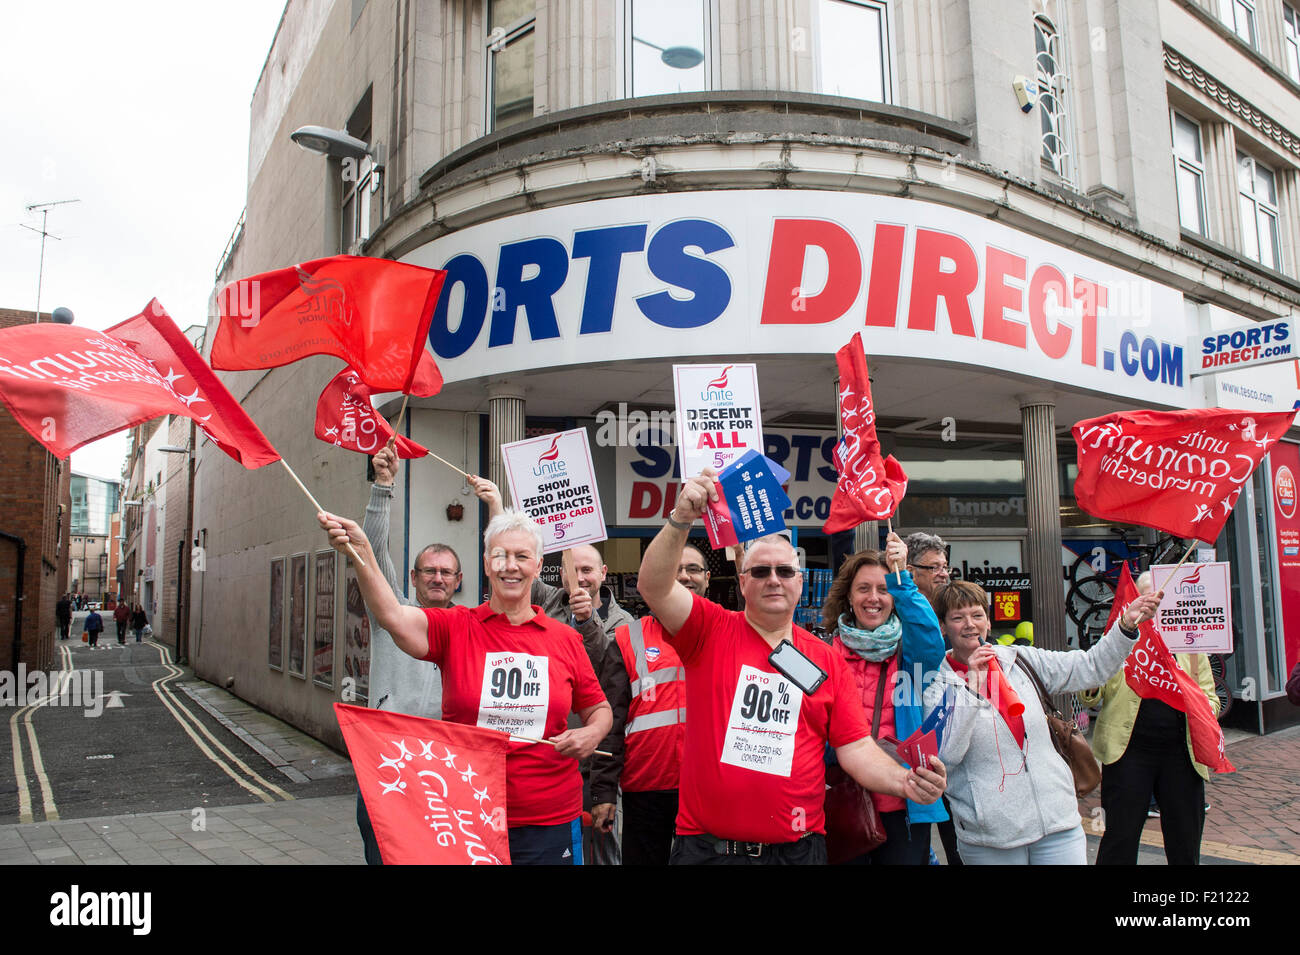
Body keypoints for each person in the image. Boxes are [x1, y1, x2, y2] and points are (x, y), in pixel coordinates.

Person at [635, 469, 947, 865]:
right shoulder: (708, 629)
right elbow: (654, 587)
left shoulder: (825, 659)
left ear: (800, 583)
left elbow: (854, 748)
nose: (773, 580)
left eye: (785, 571)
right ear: (742, 582)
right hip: (709, 850)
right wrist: (681, 518)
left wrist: (905, 781)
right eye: (761, 571)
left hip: (798, 851)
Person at [319, 506, 612, 865]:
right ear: (487, 563)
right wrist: (362, 552)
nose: (510, 565)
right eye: (500, 555)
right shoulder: (457, 627)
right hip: (468, 814)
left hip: (549, 818)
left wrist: (592, 734)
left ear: (537, 567)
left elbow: (598, 709)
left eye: (522, 556)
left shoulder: (565, 638)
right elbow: (392, 615)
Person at [924, 579, 1162, 864]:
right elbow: (946, 756)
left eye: (977, 615)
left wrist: (1125, 626)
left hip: (1058, 823)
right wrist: (972, 690)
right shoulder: (936, 683)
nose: (970, 625)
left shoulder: (1021, 659)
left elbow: (1091, 667)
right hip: (992, 838)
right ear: (942, 627)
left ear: (988, 622)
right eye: (957, 618)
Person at [820, 533, 948, 864]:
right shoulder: (824, 653)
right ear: (848, 596)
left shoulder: (909, 653)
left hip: (901, 802)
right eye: (863, 588)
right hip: (841, 799)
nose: (873, 598)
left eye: (883, 589)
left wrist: (902, 580)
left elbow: (933, 644)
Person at [1082, 571, 1220, 865]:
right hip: (1129, 752)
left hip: (1182, 755)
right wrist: (1097, 672)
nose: (1154, 607)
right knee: (1120, 836)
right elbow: (1089, 695)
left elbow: (1212, 700)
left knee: (1185, 840)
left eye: (1162, 601)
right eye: (1148, 599)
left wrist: (1197, 705)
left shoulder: (1190, 645)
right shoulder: (1119, 639)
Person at [589, 543, 707, 865]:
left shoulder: (726, 634)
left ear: (708, 579)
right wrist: (603, 792)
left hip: (708, 789)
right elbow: (610, 721)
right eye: (675, 568)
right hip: (646, 790)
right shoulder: (628, 639)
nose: (684, 576)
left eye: (693, 569)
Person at [903, 529, 963, 864]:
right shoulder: (897, 609)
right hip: (916, 736)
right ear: (910, 570)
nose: (943, 573)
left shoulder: (955, 606)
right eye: (934, 567)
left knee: (959, 839)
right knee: (919, 835)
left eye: (945, 566)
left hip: (955, 738)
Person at [904, 531, 951, 599]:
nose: (945, 574)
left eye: (945, 567)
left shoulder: (954, 607)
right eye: (935, 567)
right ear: (910, 572)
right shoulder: (894, 607)